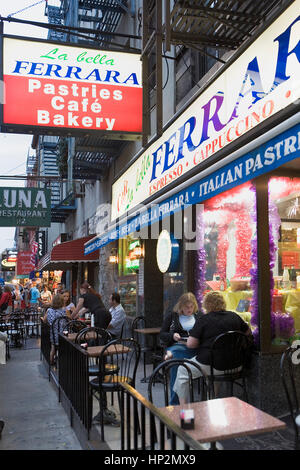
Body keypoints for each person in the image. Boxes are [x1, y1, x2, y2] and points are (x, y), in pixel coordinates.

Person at [173, 291, 252, 405]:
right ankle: (212, 401)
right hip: (236, 365)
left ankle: (184, 412)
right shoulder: (234, 316)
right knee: (214, 367)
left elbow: (191, 344)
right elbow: (248, 333)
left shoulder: (204, 320)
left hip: (213, 366)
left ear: (206, 305)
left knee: (182, 370)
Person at [160, 292, 200, 405]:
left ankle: (170, 354)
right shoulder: (172, 316)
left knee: (176, 362)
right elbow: (162, 334)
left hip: (195, 349)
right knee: (177, 368)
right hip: (179, 346)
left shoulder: (198, 316)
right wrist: (172, 336)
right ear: (180, 306)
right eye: (187, 307)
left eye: (192, 306)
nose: (189, 309)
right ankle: (177, 405)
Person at [46, 294, 67, 365]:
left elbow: (45, 320)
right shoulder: (64, 311)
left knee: (53, 348)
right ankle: (62, 363)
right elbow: (68, 320)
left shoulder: (49, 310)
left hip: (54, 335)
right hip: (63, 335)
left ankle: (51, 363)